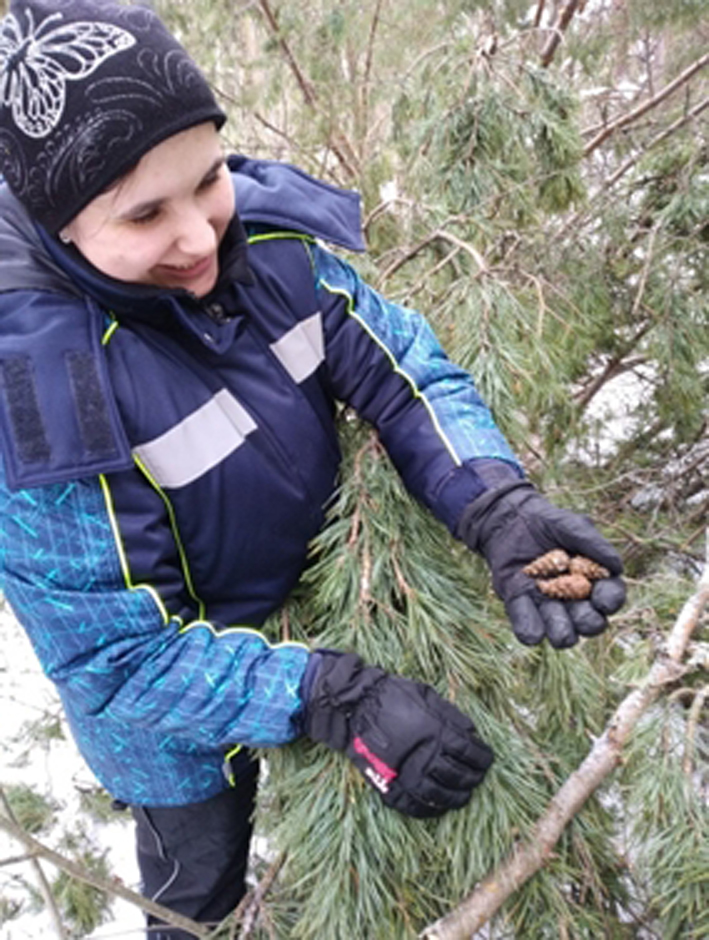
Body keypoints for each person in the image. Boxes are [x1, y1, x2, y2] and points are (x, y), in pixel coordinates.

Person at [0, 1, 626, 936]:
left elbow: (398, 363)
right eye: (144, 214)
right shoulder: (40, 397)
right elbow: (113, 659)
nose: (201, 240)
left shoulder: (271, 249)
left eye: (208, 177)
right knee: (193, 877)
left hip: (317, 603)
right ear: (60, 223)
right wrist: (328, 696)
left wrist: (493, 500)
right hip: (174, 737)